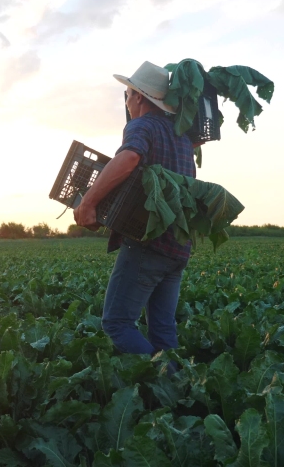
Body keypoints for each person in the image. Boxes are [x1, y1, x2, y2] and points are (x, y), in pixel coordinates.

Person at [73, 61, 196, 358]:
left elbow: (129, 159)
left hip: (148, 243)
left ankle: (165, 382)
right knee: (163, 330)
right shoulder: (182, 137)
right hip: (177, 246)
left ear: (139, 97)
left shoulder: (142, 125)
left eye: (128, 94)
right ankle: (179, 395)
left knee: (117, 323)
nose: (127, 101)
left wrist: (88, 202)